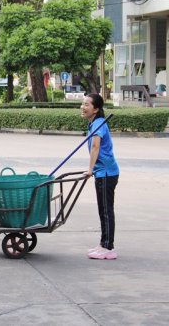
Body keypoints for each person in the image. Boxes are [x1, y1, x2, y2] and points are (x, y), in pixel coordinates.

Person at [81, 93, 119, 260]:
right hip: (101, 172)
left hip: (106, 173)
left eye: (87, 105)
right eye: (82, 104)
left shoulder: (98, 124)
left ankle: (108, 247)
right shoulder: (94, 123)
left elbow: (95, 147)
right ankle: (103, 243)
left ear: (96, 109)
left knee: (106, 210)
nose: (83, 107)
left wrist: (90, 170)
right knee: (102, 209)